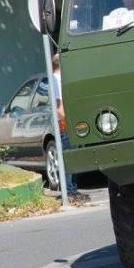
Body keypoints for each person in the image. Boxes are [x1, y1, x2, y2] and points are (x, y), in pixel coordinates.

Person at [51, 53, 90, 204]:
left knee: (73, 158)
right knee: (69, 158)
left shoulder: (60, 79)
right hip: (65, 123)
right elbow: (59, 107)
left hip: (69, 122)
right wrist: (69, 121)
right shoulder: (55, 79)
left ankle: (73, 189)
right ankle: (69, 191)